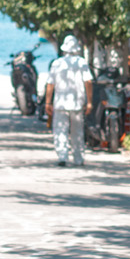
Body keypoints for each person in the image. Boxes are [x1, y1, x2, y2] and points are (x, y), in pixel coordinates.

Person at [44, 35, 94, 167]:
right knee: (77, 132)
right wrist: (89, 101)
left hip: (60, 103)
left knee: (60, 130)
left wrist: (48, 102)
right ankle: (78, 158)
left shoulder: (57, 63)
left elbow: (50, 84)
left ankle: (62, 156)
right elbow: (88, 82)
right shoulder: (81, 62)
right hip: (77, 103)